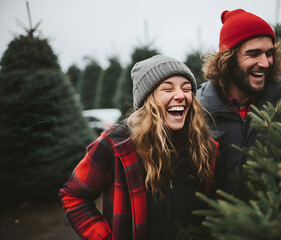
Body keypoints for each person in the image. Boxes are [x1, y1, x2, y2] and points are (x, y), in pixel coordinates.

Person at [59, 55, 218, 240]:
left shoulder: (204, 148)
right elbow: (73, 196)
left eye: (187, 89)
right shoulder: (117, 144)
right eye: (168, 88)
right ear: (148, 99)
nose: (181, 95)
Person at [196, 9, 281, 193]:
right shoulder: (199, 109)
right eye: (253, 54)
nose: (266, 63)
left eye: (269, 53)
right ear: (227, 59)